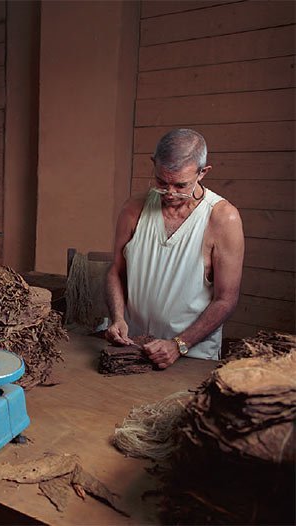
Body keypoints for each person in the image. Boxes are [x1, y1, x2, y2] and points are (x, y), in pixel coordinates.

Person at [105, 128, 244, 368]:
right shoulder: (134, 208)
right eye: (161, 181)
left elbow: (226, 299)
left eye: (181, 185)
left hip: (192, 355)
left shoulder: (222, 218)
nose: (169, 193)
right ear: (154, 164)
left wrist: (180, 344)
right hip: (134, 346)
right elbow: (116, 271)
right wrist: (117, 317)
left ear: (203, 173)